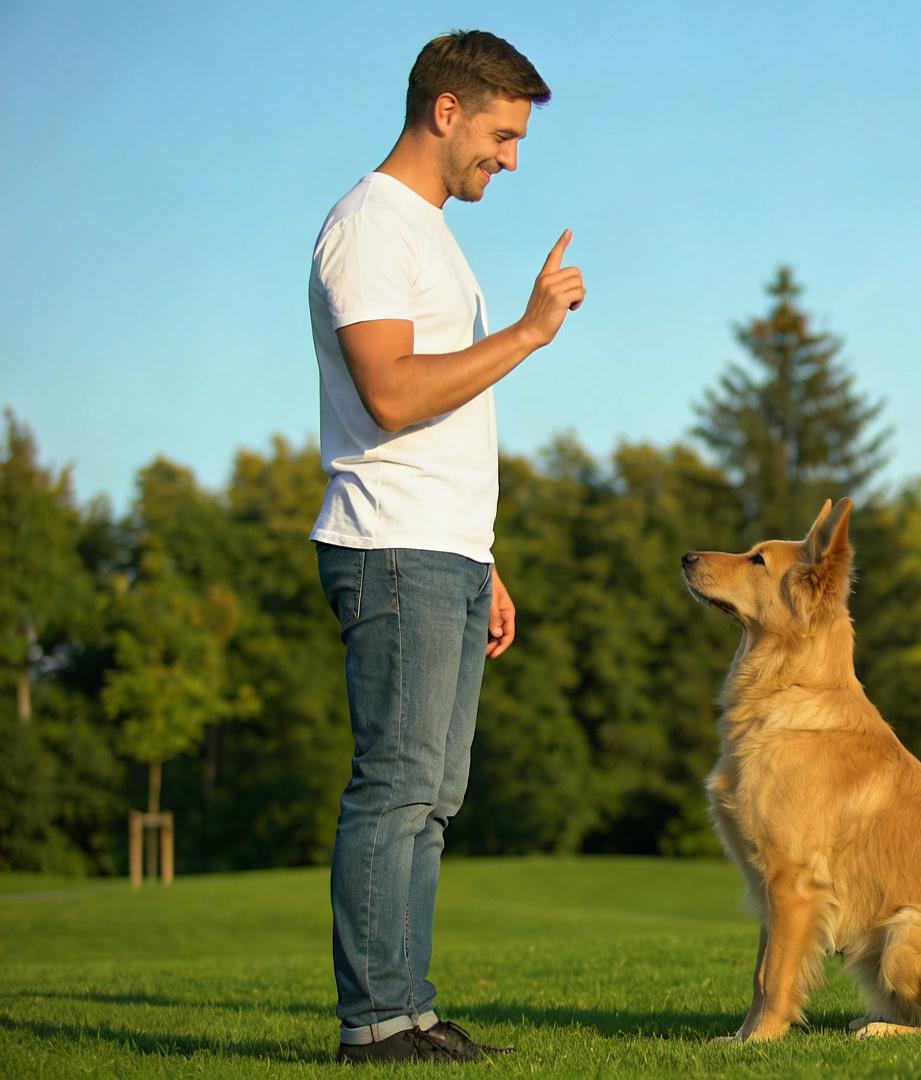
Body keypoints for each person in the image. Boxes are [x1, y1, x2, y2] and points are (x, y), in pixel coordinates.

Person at [307, 30, 584, 1064]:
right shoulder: (370, 227)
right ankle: (376, 1024)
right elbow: (389, 394)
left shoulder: (427, 234)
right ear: (447, 110)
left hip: (444, 551)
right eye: (503, 136)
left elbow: (444, 417)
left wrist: (484, 558)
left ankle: (409, 1011)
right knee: (397, 788)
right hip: (392, 547)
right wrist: (528, 333)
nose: (509, 160)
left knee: (432, 799)